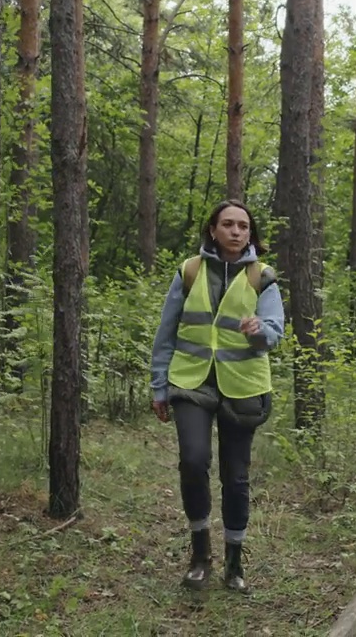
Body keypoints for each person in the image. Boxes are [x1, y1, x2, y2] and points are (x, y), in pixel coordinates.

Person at [149, 200, 285, 593]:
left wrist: (258, 329)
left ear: (250, 233)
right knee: (193, 461)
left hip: (243, 385)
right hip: (190, 381)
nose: (236, 231)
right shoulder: (190, 271)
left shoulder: (263, 277)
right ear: (213, 229)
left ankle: (235, 563)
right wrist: (160, 385)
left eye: (243, 226)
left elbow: (274, 333)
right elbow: (166, 331)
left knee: (236, 475)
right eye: (228, 224)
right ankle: (198, 557)